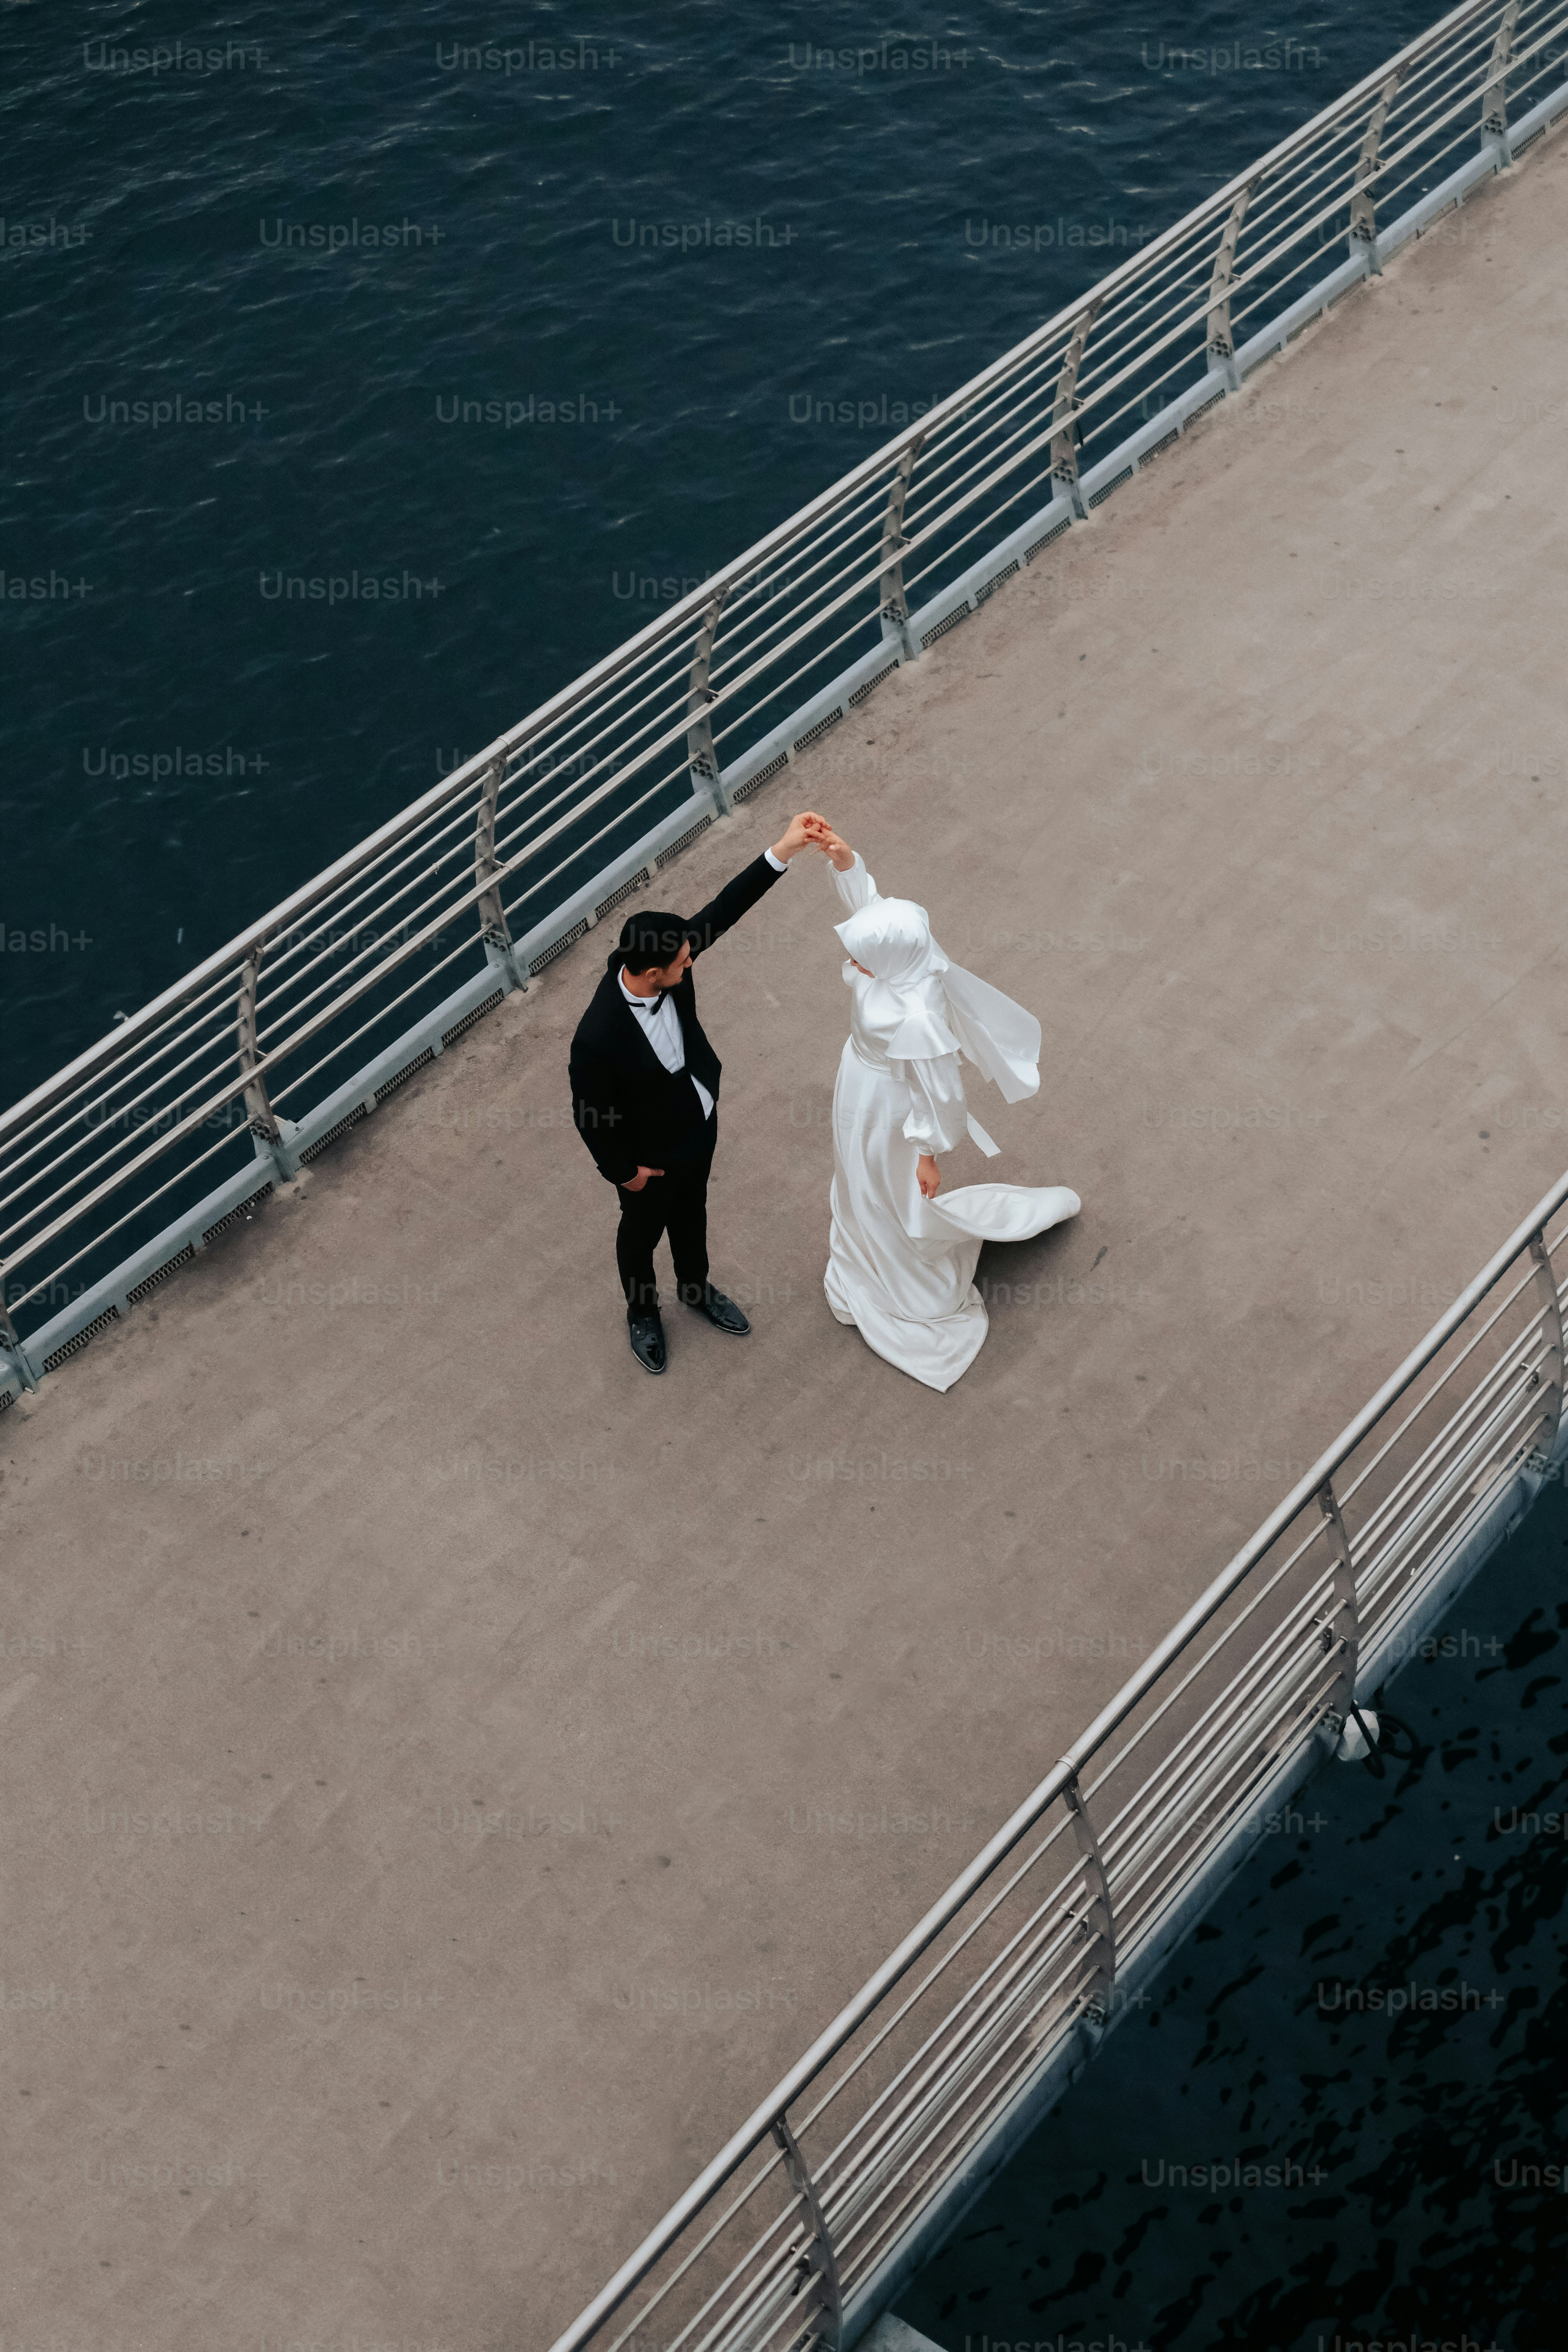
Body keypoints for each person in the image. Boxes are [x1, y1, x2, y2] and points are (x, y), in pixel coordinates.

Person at [815, 825, 1080, 1391]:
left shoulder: (919, 1016)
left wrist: (928, 1152)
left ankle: (898, 1271)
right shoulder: (905, 952)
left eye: (862, 958)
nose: (854, 962)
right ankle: (869, 1246)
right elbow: (877, 913)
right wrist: (847, 864)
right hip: (858, 1083)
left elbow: (939, 1092)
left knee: (884, 1185)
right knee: (857, 1178)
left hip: (887, 1105)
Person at [569, 808, 832, 1373]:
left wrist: (783, 849)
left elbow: (723, 911)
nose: (692, 962)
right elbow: (591, 1114)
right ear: (652, 972)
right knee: (640, 1237)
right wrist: (625, 1174)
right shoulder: (597, 1037)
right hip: (650, 1160)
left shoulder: (664, 957)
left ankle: (695, 1288)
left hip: (698, 1130)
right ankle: (643, 1314)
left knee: (694, 1218)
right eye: (683, 963)